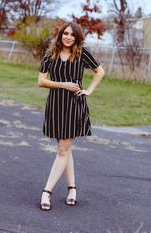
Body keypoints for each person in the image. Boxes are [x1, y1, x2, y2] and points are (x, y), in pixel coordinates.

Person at [38, 22, 105, 211]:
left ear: (77, 37)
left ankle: (46, 192)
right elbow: (41, 81)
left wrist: (89, 91)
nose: (68, 37)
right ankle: (72, 189)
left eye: (72, 35)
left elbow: (100, 71)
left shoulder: (82, 53)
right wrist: (64, 85)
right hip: (56, 105)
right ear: (61, 35)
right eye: (65, 33)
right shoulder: (50, 54)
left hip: (75, 106)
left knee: (62, 149)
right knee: (65, 150)